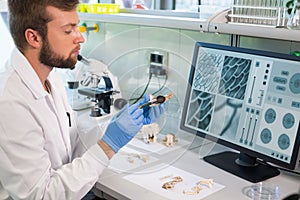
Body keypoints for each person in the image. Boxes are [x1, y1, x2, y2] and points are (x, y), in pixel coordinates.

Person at [0, 1, 164, 200]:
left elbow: (71, 144)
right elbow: (41, 195)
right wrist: (108, 145)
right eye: (69, 31)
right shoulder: (10, 102)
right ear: (33, 37)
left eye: (77, 27)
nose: (81, 38)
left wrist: (116, 126)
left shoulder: (50, 77)